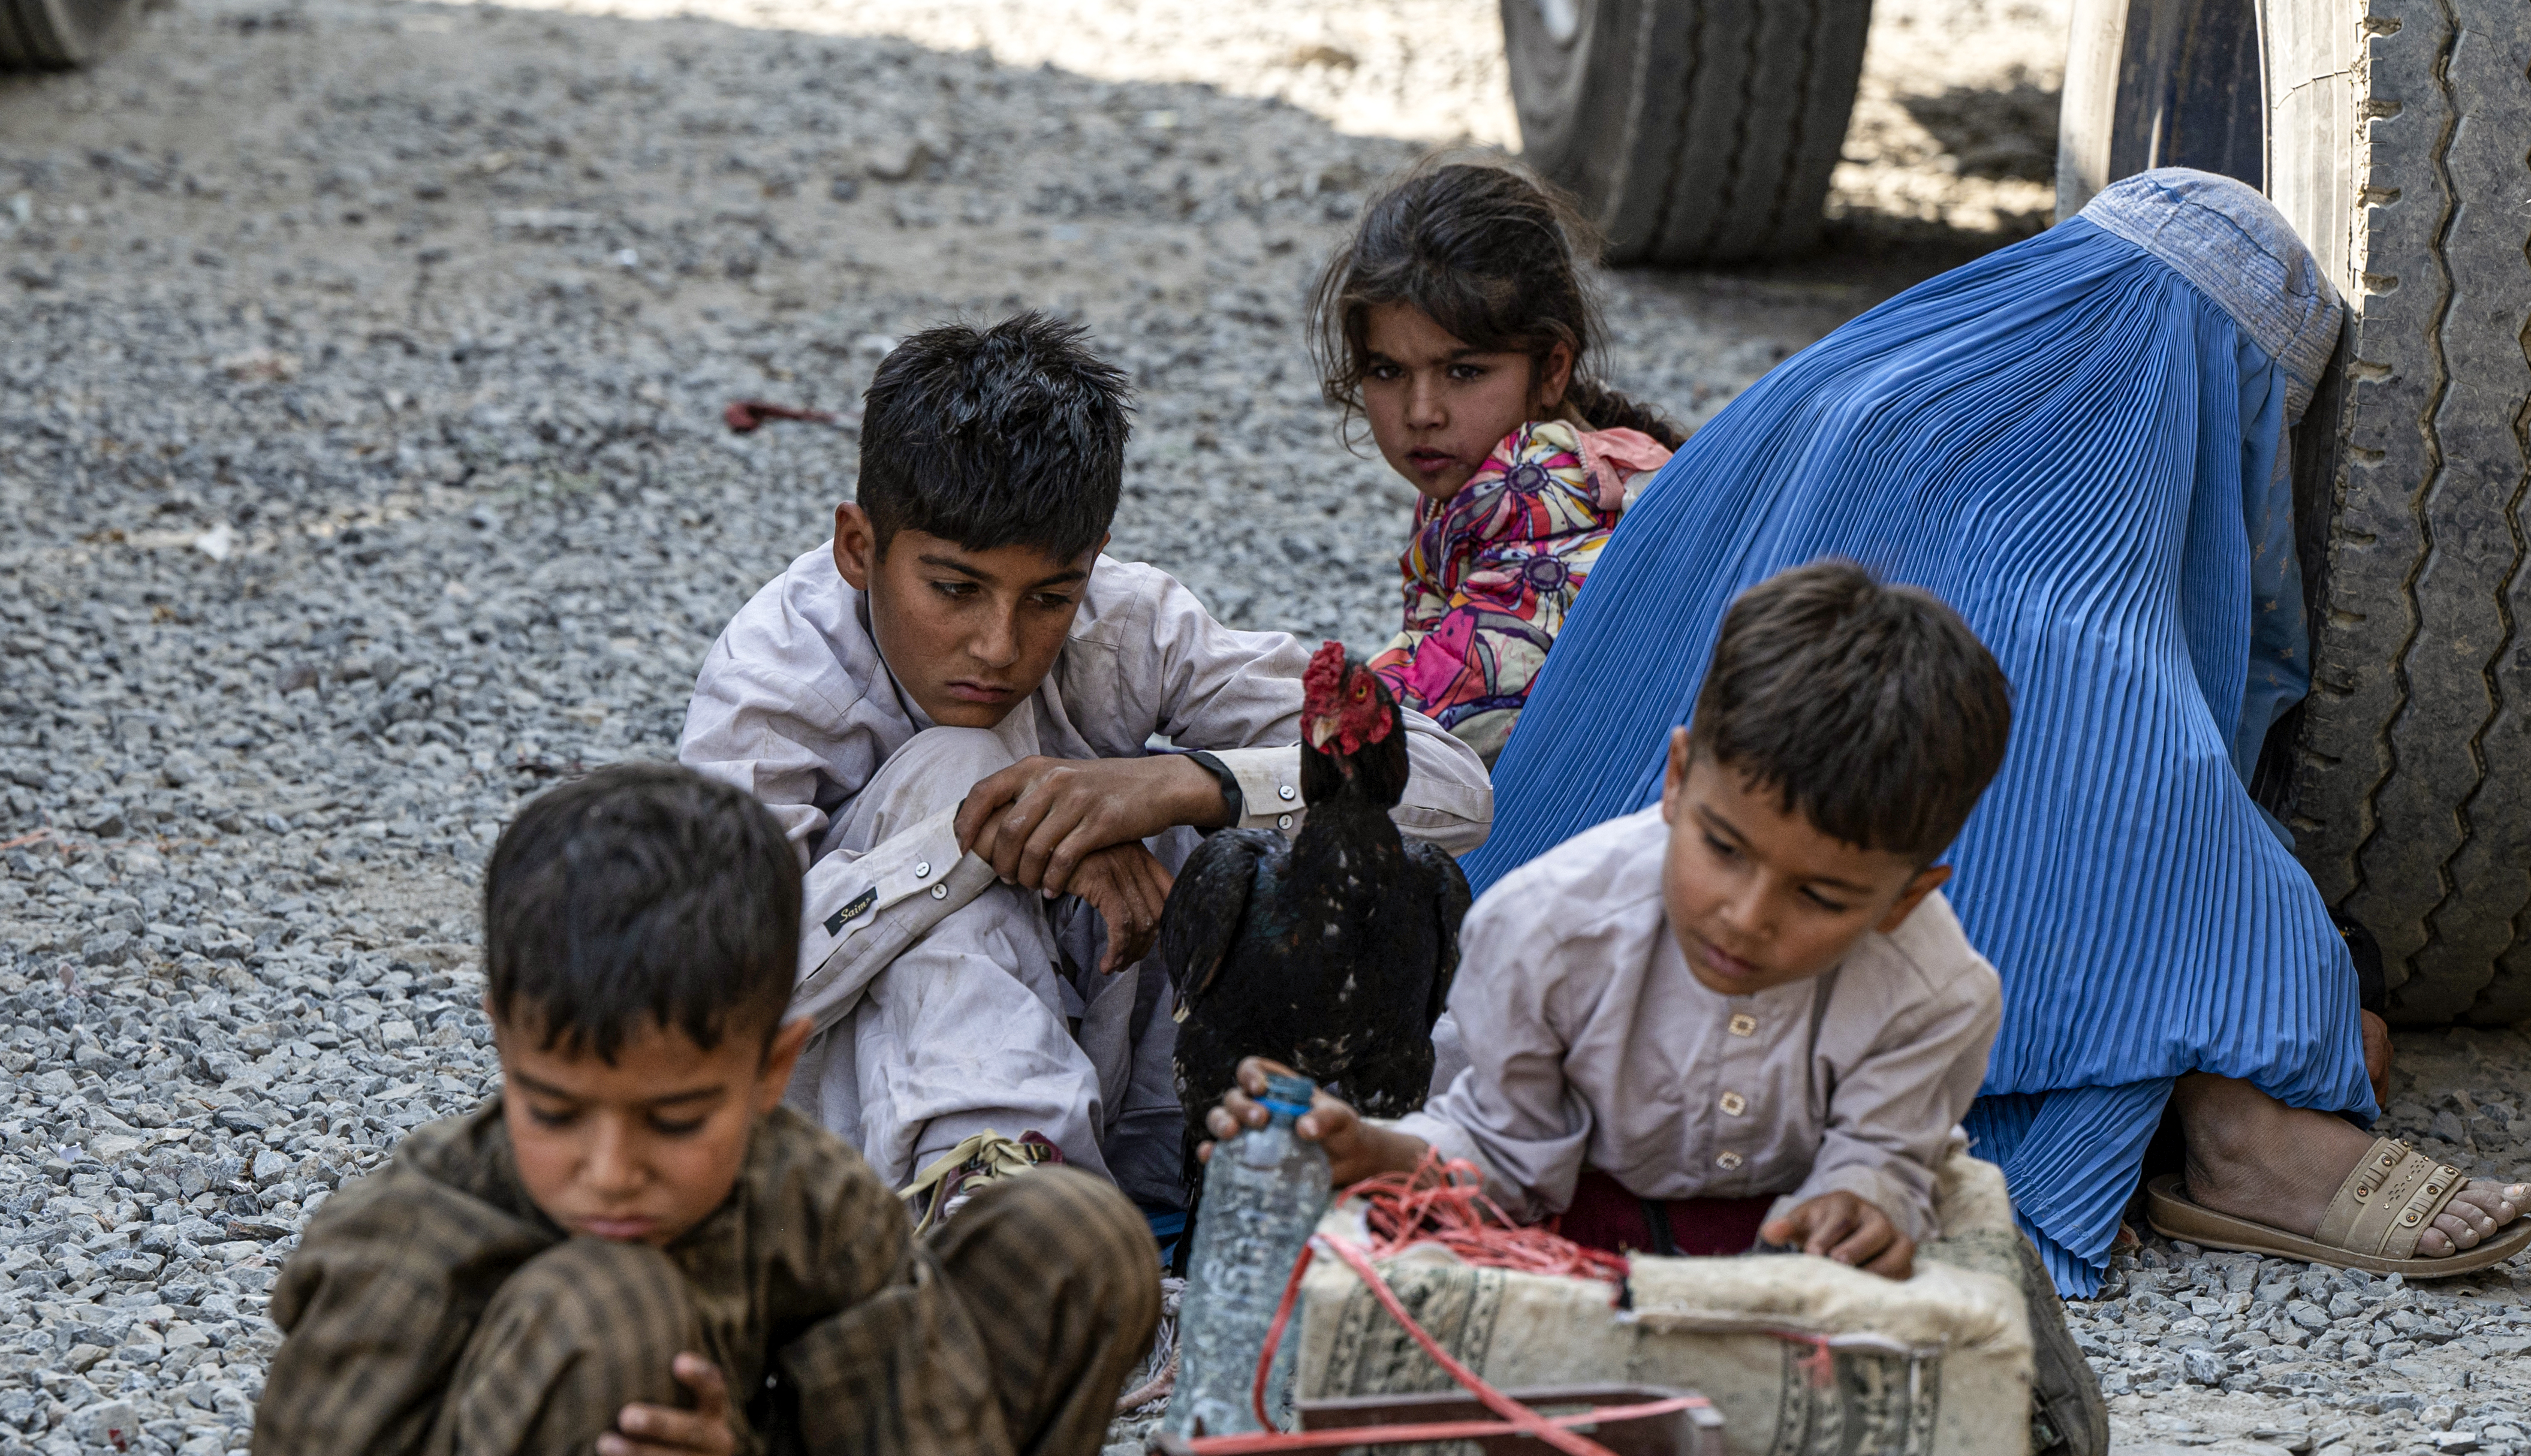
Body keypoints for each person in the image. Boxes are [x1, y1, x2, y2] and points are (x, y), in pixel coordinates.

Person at [1459, 168, 2531, 1296]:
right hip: (1749, 939)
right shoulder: (2084, 576)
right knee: (2147, 780)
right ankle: (2246, 1136)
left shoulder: (1843, 386)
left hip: (1599, 904)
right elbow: (2170, 779)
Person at [160, 765, 1158, 1456]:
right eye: (554, 1110)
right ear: (504, 1048)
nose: (611, 1170)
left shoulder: (811, 1204)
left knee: (1075, 1235)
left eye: (675, 1119)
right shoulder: (410, 1240)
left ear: (773, 1072)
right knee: (608, 1302)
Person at [682, 314, 1493, 1219]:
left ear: (1092, 562)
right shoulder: (774, 685)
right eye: (954, 589)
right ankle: (996, 1219)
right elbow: (711, 1006)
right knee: (952, 764)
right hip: (854, 1155)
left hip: (1141, 1110)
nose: (997, 644)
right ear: (858, 548)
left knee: (1340, 866)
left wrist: (1181, 785)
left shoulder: (1129, 624)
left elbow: (1451, 792)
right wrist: (982, 839)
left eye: (1048, 598)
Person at [1209, 562, 2007, 1280]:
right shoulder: (1546, 934)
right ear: (1678, 777)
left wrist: (1859, 1202)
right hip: (1575, 1236)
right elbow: (1503, 1156)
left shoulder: (1936, 993)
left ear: (1905, 898)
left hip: (1785, 1258)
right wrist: (1371, 1151)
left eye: (1820, 898)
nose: (1746, 916)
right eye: (1723, 848)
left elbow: (1883, 1153)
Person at [1314, 159, 1680, 767]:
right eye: (1387, 371)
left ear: (1553, 368)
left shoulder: (1553, 499)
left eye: (1464, 372)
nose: (1421, 411)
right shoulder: (1487, 482)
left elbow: (1423, 724)